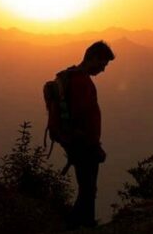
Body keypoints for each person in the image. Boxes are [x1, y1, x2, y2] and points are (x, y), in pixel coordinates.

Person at [65, 40, 115, 229]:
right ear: (92, 58)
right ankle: (79, 226)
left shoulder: (74, 77)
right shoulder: (81, 82)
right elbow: (80, 118)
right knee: (87, 190)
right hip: (83, 145)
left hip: (79, 143)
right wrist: (93, 146)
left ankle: (83, 224)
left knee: (87, 188)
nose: (103, 70)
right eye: (102, 64)